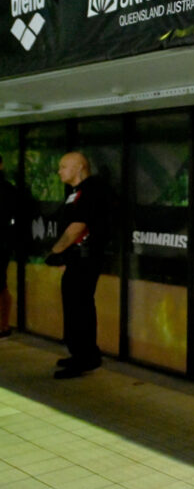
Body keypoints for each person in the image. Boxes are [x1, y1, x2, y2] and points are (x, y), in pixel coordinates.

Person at [45, 153, 110, 379]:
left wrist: (56, 251)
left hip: (85, 259)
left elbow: (77, 226)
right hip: (76, 260)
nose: (59, 171)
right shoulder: (76, 193)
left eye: (64, 167)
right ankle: (81, 353)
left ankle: (85, 358)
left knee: (79, 308)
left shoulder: (91, 190)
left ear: (80, 167)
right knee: (75, 307)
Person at [0, 154, 15, 339]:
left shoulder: (7, 190)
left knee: (1, 286)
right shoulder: (8, 189)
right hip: (3, 243)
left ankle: (3, 325)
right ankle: (3, 325)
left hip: (2, 244)